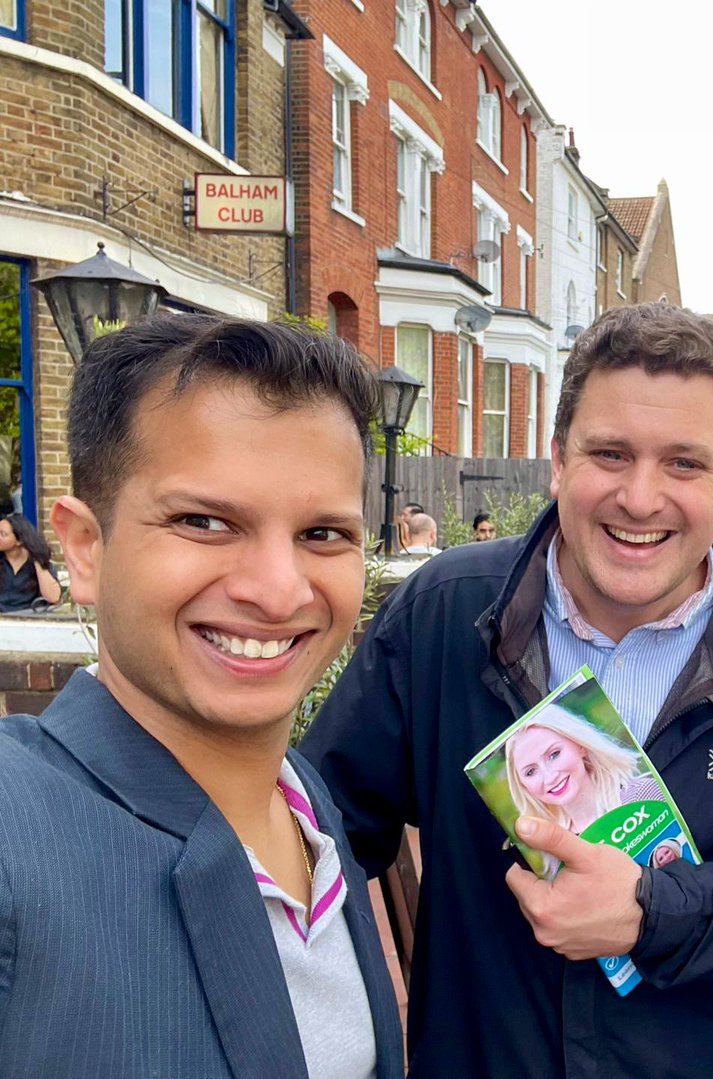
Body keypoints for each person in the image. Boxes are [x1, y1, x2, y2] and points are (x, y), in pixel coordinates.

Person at [303, 302, 713, 1079]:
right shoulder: (446, 615)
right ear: (559, 460)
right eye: (611, 453)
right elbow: (318, 836)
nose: (640, 496)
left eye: (684, 464)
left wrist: (655, 913)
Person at [0, 317, 404, 1076]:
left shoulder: (307, 803)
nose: (278, 589)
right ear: (85, 547)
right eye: (206, 522)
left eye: (323, 534)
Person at [505, 704, 660, 835]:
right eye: (530, 772)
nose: (549, 777)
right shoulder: (555, 854)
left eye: (554, 755)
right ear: (522, 785)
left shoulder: (642, 796)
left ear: (580, 746)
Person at [0, 513, 62, 612]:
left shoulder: (36, 563)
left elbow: (53, 597)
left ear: (19, 541)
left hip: (27, 619)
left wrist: (37, 559)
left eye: (3, 534)